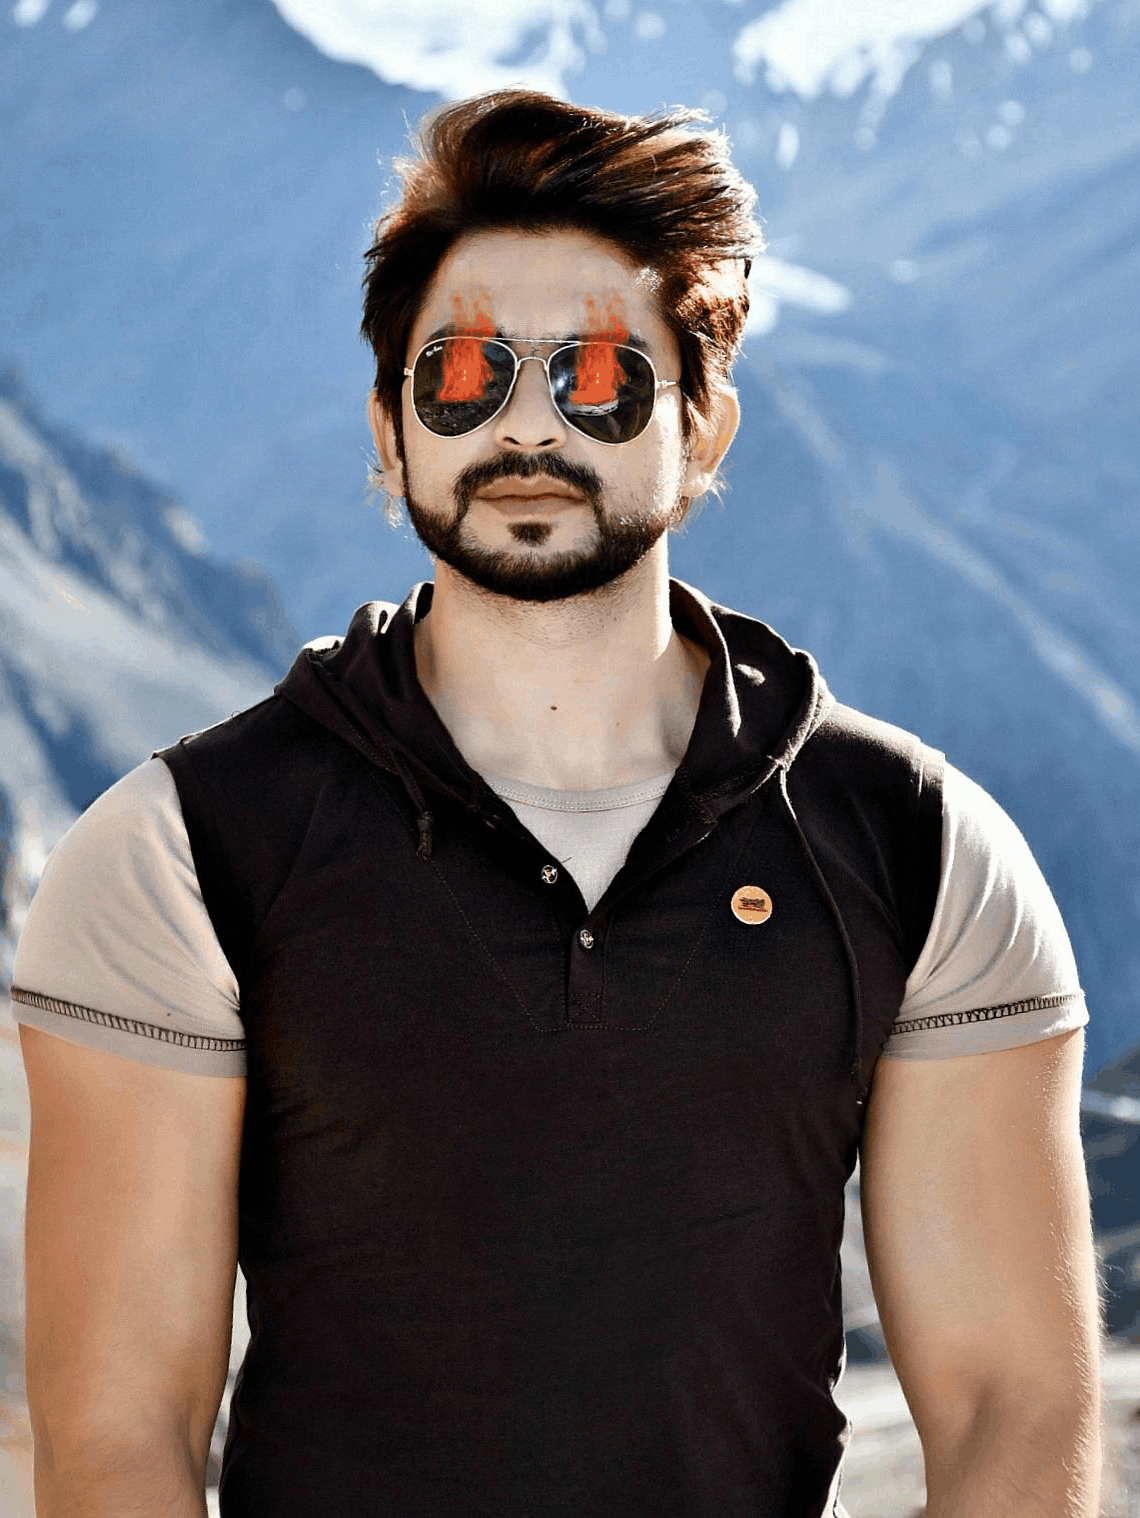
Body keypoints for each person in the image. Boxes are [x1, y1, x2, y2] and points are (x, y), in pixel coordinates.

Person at [15, 90, 1103, 1517]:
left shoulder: (922, 847)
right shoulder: (175, 855)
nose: (526, 427)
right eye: (463, 374)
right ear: (390, 428)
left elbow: (1014, 1407)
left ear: (704, 426)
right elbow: (117, 1444)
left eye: (599, 376)